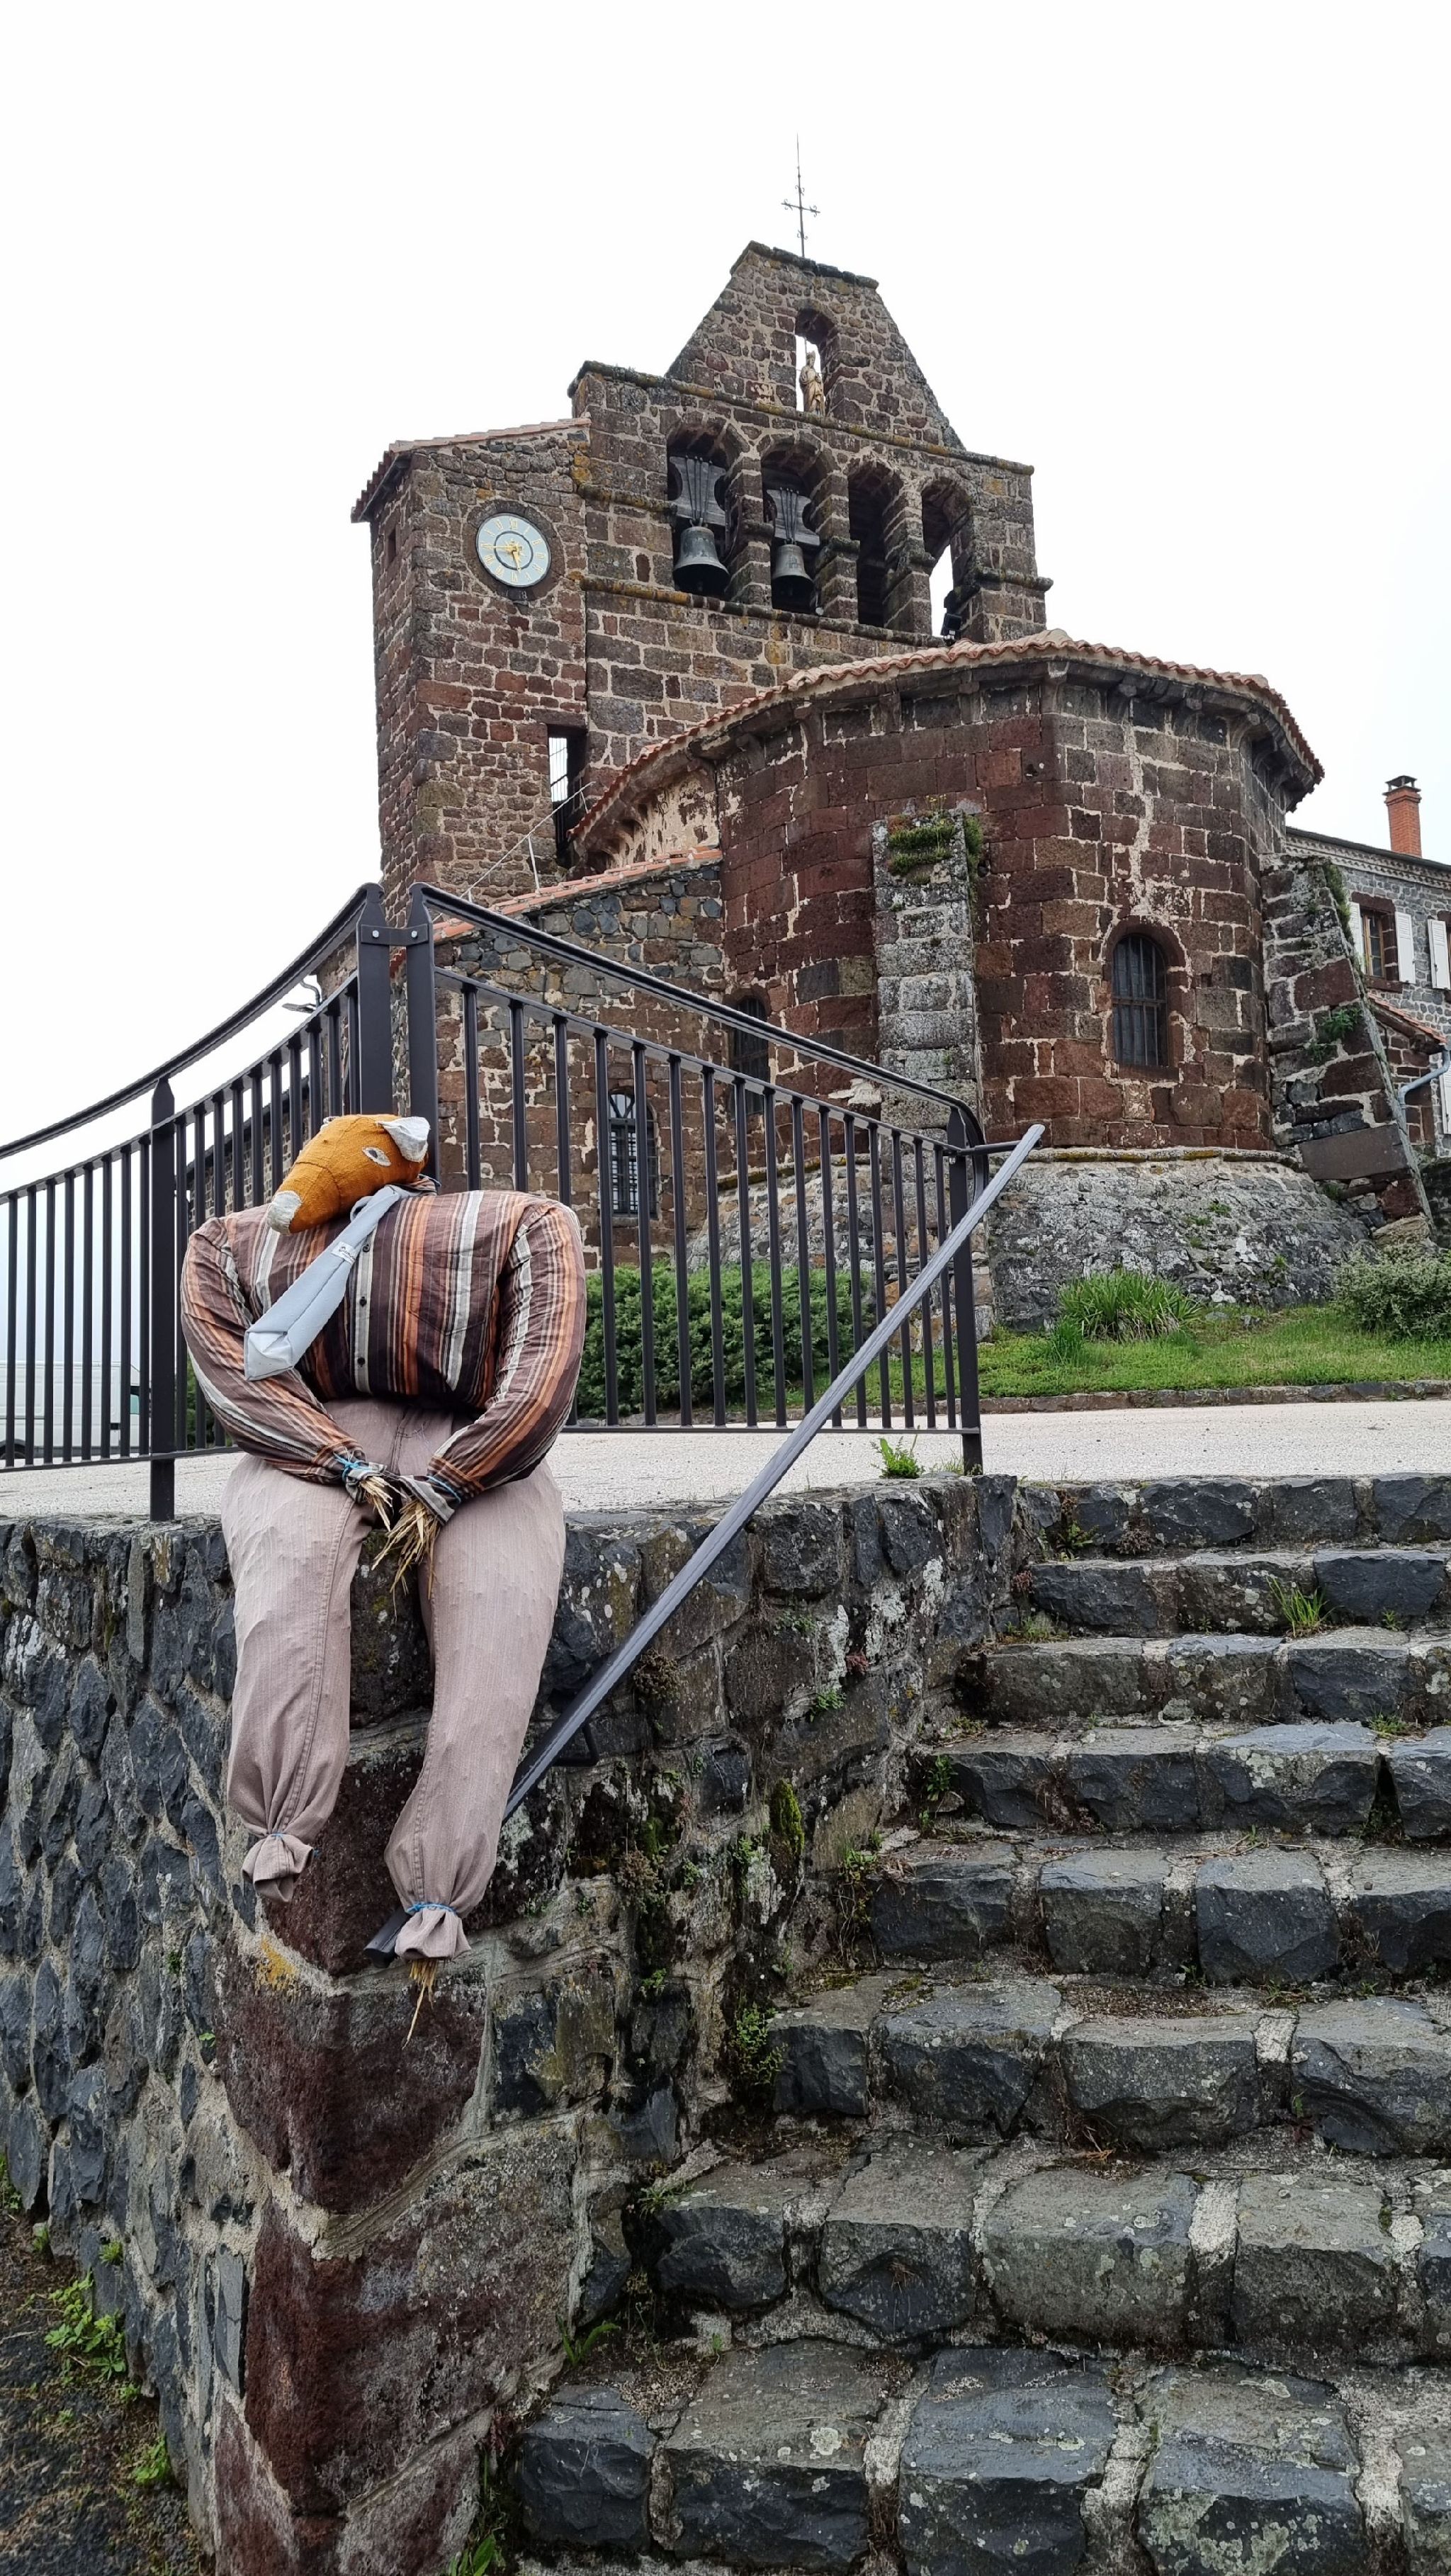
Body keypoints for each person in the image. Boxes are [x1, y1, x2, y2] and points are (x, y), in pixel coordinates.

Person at [180, 1165, 586, 1981]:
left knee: (499, 1603)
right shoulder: (225, 1245)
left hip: (467, 1428)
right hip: (319, 1425)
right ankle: (281, 1821)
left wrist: (454, 1477)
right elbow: (235, 1382)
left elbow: (539, 1383)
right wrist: (336, 1458)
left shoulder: (530, 1226)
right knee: (290, 1564)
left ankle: (439, 1881)